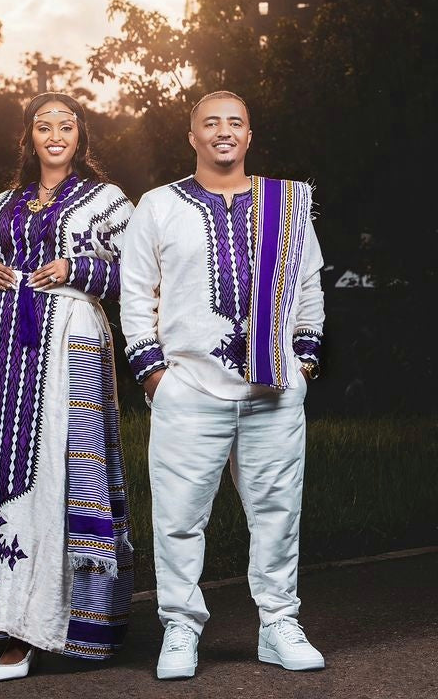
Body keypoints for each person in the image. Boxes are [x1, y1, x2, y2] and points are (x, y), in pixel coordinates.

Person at [120, 90, 325, 679]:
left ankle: (278, 623)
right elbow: (136, 293)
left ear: (250, 135)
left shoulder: (285, 202)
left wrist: (303, 362)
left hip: (275, 388)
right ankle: (180, 628)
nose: (223, 131)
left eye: (235, 122)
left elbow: (309, 284)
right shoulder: (159, 206)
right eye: (211, 123)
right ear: (193, 137)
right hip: (187, 389)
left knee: (277, 513)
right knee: (179, 517)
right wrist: (154, 374)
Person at [0, 92, 134, 682]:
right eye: (43, 125)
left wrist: (76, 268)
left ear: (82, 136)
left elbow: (140, 268)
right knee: (7, 471)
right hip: (3, 346)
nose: (55, 134)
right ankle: (12, 631)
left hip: (70, 340)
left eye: (66, 125)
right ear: (28, 136)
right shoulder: (5, 203)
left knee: (65, 468)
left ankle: (81, 624)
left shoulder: (107, 200)